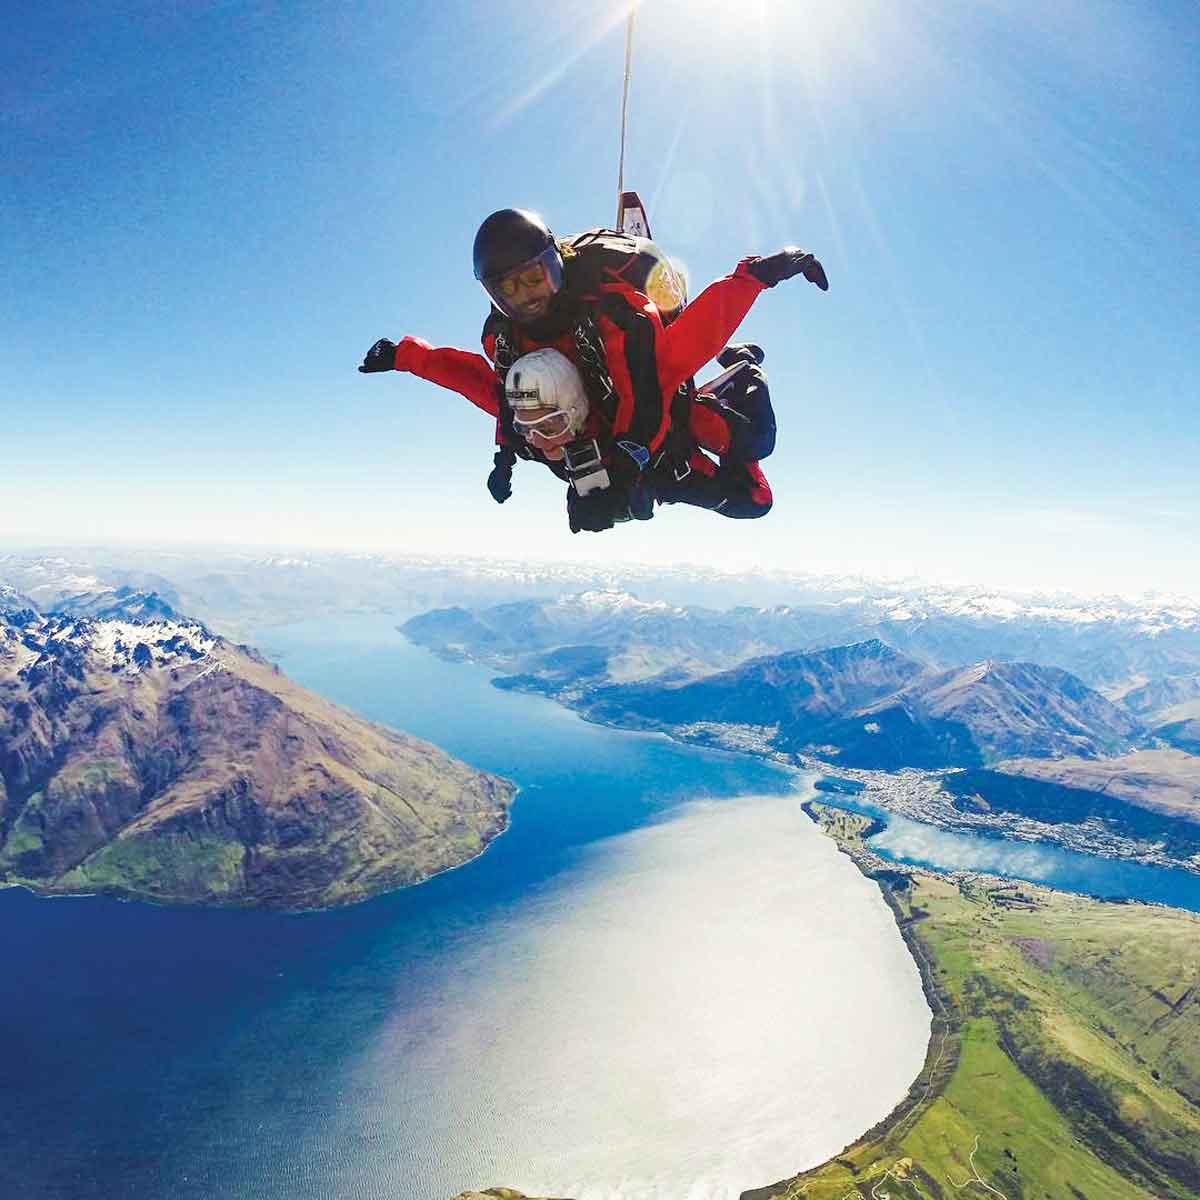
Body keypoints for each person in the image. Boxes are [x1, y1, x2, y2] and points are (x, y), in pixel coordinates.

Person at [359, 208, 828, 532]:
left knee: (755, 464)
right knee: (749, 503)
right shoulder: (509, 350)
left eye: (532, 278)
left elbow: (684, 349)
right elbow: (486, 389)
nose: (525, 297)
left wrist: (757, 275)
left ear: (554, 265)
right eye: (509, 289)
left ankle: (743, 371)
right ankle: (661, 479)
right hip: (634, 455)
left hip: (662, 417)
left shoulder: (617, 315)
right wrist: (406, 356)